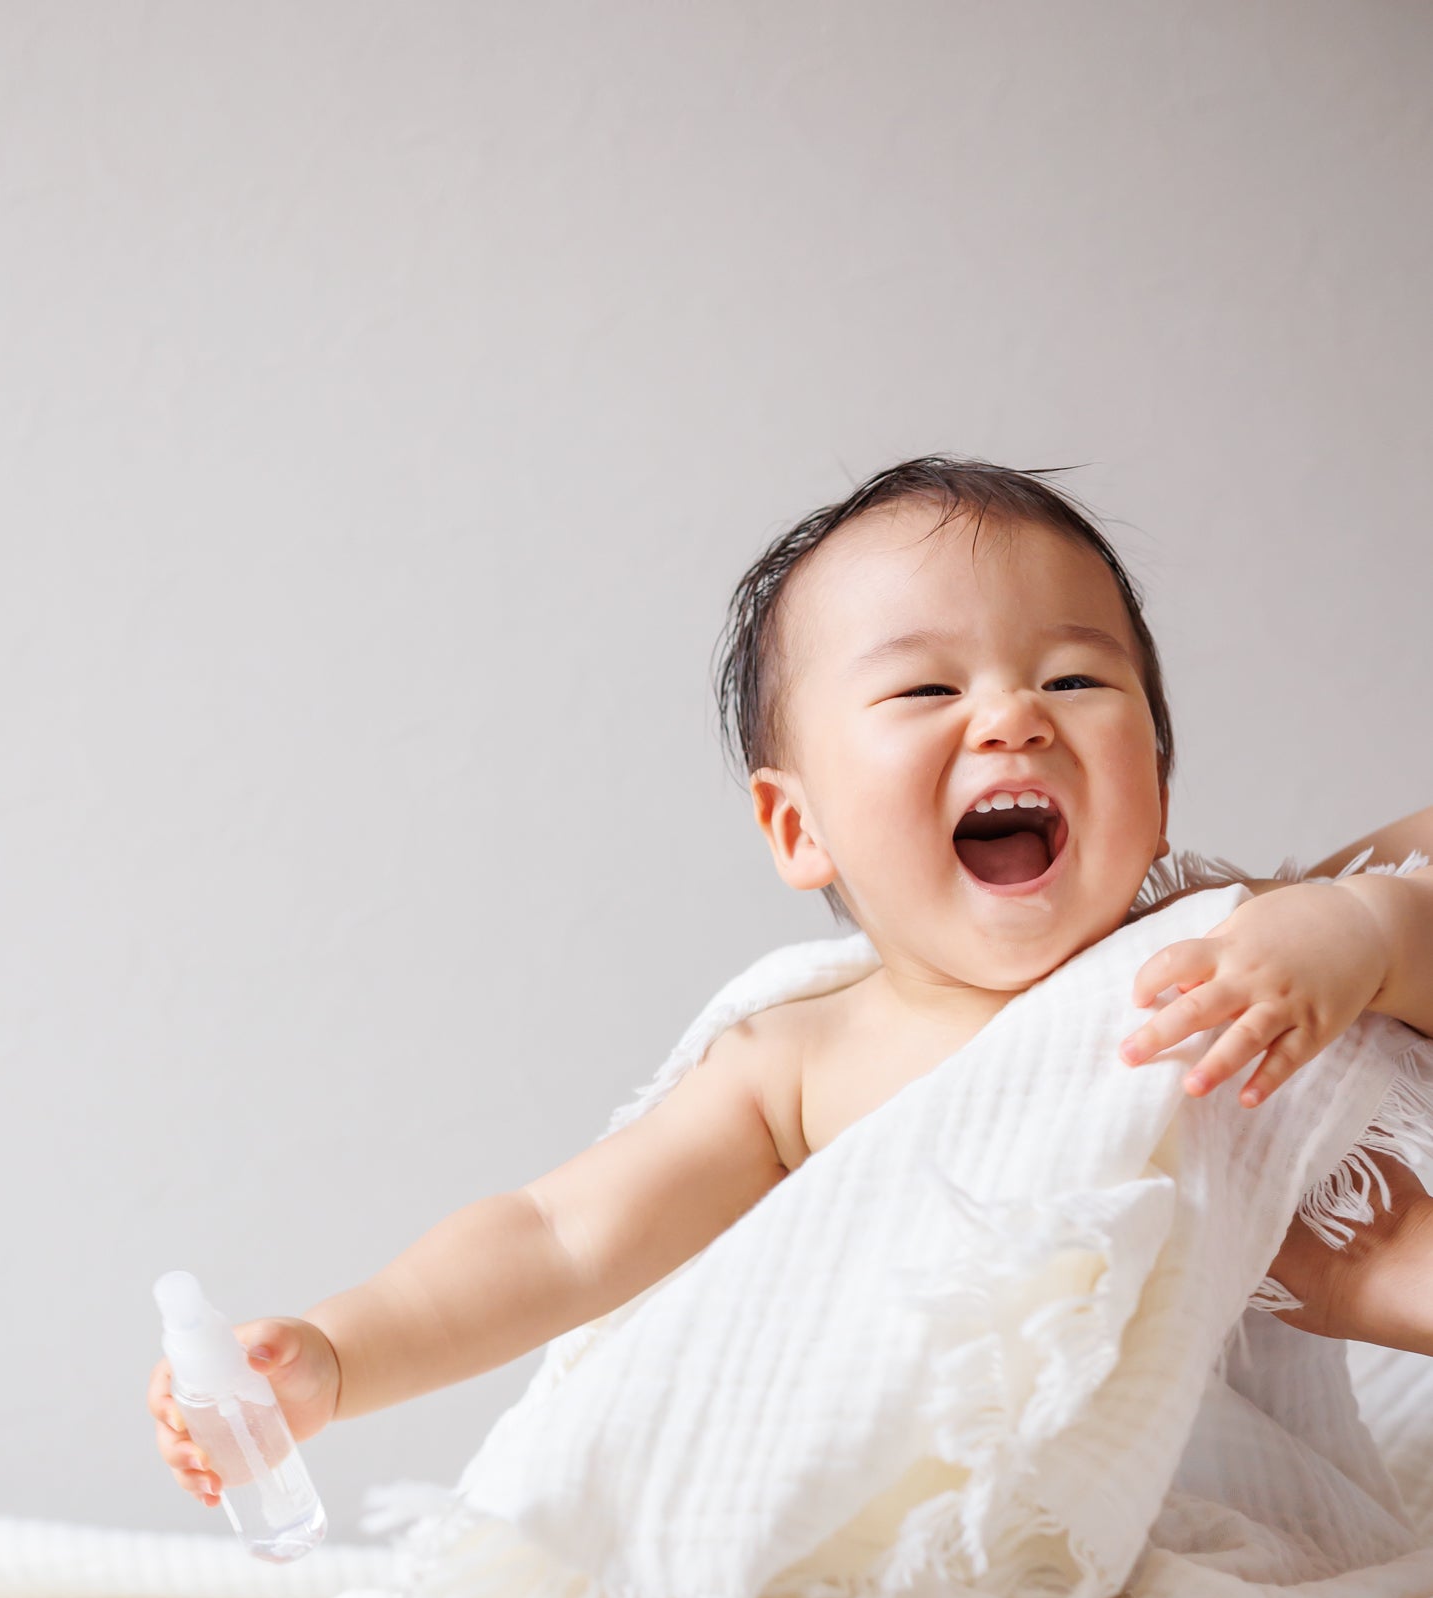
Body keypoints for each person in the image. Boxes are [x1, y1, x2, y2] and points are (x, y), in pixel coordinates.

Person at [149, 457, 1433, 1511]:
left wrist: (1368, 931)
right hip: (949, 1517)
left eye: (1074, 678)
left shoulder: (1224, 957)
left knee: (1351, 1240)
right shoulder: (800, 1065)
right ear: (795, 827)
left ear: (1155, 783)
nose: (1011, 717)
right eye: (926, 686)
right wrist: (335, 1354)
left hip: (1221, 1497)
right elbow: (555, 1236)